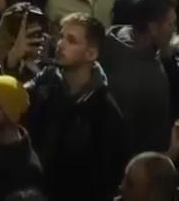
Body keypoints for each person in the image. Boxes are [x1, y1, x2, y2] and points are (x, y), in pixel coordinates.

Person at [26, 13, 129, 201]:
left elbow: (107, 177)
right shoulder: (43, 89)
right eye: (62, 37)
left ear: (91, 53)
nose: (60, 44)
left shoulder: (104, 112)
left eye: (71, 40)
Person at [104, 0, 176, 157]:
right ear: (153, 28)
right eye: (170, 24)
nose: (174, 30)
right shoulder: (145, 77)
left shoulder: (108, 41)